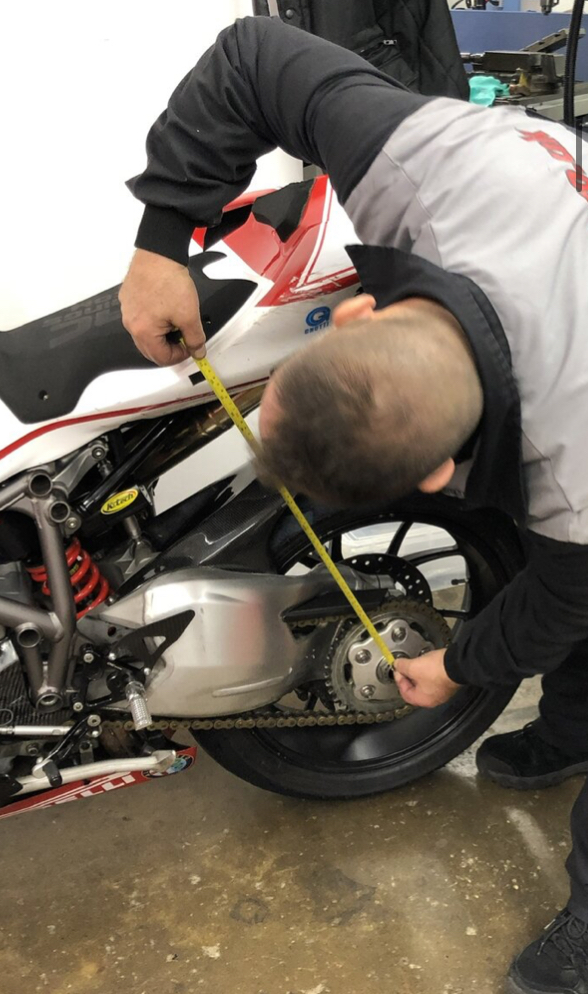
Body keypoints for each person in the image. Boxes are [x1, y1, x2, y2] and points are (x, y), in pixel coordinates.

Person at [118, 16, 588, 993]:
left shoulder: (573, 472)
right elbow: (253, 57)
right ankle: (574, 727)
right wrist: (162, 239)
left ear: (435, 479)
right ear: (357, 314)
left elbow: (564, 597)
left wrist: (459, 664)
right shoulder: (420, 167)